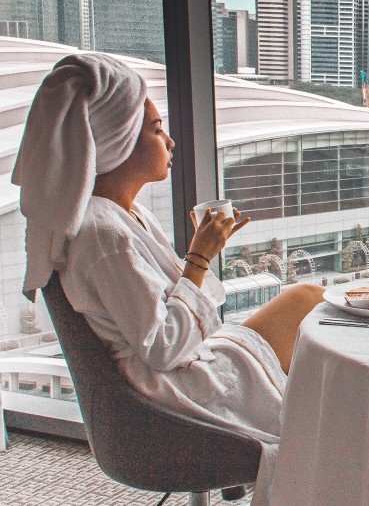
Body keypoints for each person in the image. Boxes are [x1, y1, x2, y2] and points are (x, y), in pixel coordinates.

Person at [12, 53, 325, 505]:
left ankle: (312, 423)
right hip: (172, 396)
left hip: (181, 370)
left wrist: (198, 258)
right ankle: (320, 441)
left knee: (307, 296)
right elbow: (161, 348)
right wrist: (199, 258)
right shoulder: (103, 234)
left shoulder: (122, 214)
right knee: (311, 315)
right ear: (116, 140)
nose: (171, 141)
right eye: (156, 130)